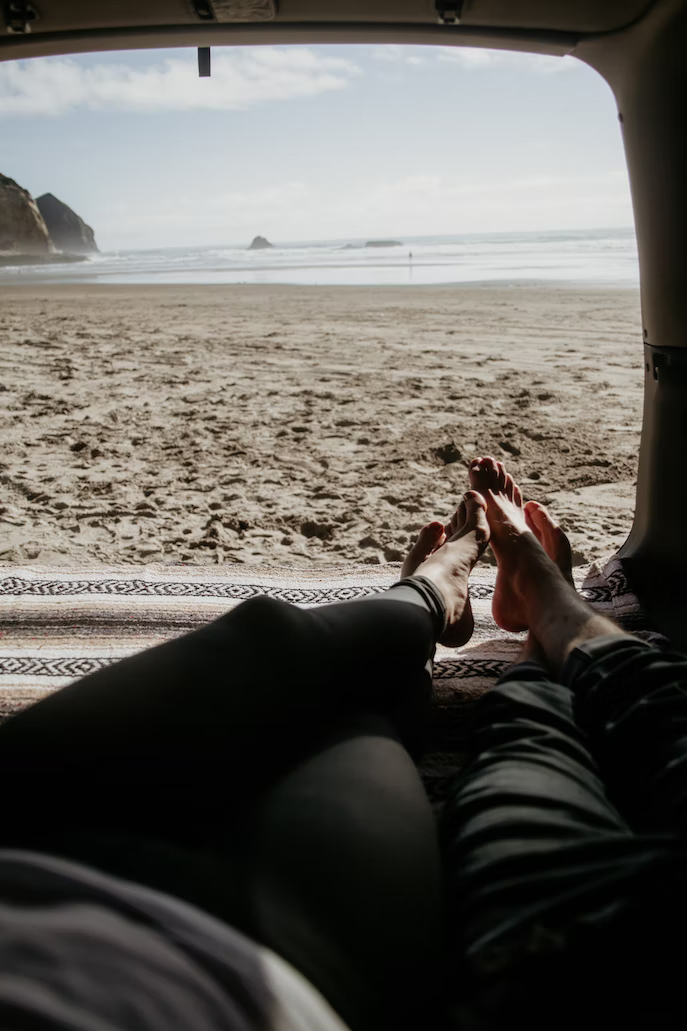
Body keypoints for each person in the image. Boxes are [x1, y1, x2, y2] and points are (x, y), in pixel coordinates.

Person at [0, 456, 684, 1030]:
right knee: (311, 673)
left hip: (64, 873)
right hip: (213, 956)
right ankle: (514, 600)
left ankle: (445, 601)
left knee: (332, 681)